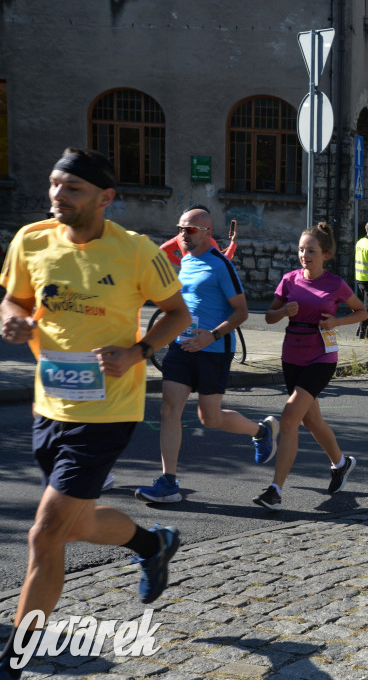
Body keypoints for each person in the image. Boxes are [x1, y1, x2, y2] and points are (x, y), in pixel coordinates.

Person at [0, 149, 192, 678]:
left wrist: (138, 351)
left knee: (46, 533)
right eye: (54, 186)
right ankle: (153, 544)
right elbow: (13, 300)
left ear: (106, 197)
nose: (58, 197)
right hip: (49, 406)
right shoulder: (30, 241)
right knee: (77, 523)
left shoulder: (135, 251)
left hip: (108, 410)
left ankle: (17, 655)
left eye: (73, 189)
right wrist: (13, 321)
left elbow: (178, 313)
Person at [135, 206, 279, 504]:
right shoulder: (185, 262)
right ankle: (168, 482)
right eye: (180, 229)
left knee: (209, 418)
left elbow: (241, 312)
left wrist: (211, 336)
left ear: (206, 232)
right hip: (181, 348)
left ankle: (261, 432)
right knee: (168, 410)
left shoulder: (220, 265)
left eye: (189, 230)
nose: (183, 235)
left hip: (213, 349)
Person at [253, 223, 366, 510]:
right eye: (302, 250)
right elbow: (268, 317)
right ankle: (340, 463)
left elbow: (362, 311)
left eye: (311, 251)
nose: (305, 255)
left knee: (290, 417)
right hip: (292, 356)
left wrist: (336, 322)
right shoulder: (289, 280)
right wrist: (282, 311)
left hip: (321, 358)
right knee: (310, 420)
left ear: (325, 254)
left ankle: (275, 490)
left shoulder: (334, 283)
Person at [160, 220, 237, 266]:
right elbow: (223, 262)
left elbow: (162, 250)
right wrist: (233, 243)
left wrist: (184, 264)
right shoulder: (208, 241)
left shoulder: (180, 237)